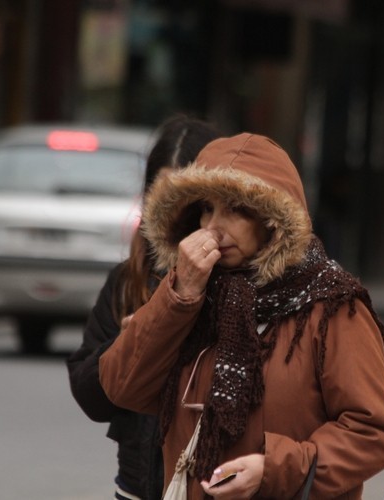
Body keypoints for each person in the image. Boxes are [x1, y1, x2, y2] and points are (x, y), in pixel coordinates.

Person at [98, 132, 384, 499]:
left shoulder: (333, 305)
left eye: (235, 210)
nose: (212, 227)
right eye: (206, 209)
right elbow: (122, 387)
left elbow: (373, 432)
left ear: (272, 221)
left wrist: (274, 469)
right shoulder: (194, 293)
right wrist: (179, 296)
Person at [66, 114, 222, 500]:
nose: (174, 212)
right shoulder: (128, 279)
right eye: (163, 195)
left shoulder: (240, 281)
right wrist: (130, 342)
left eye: (188, 199)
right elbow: (91, 397)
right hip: (136, 487)